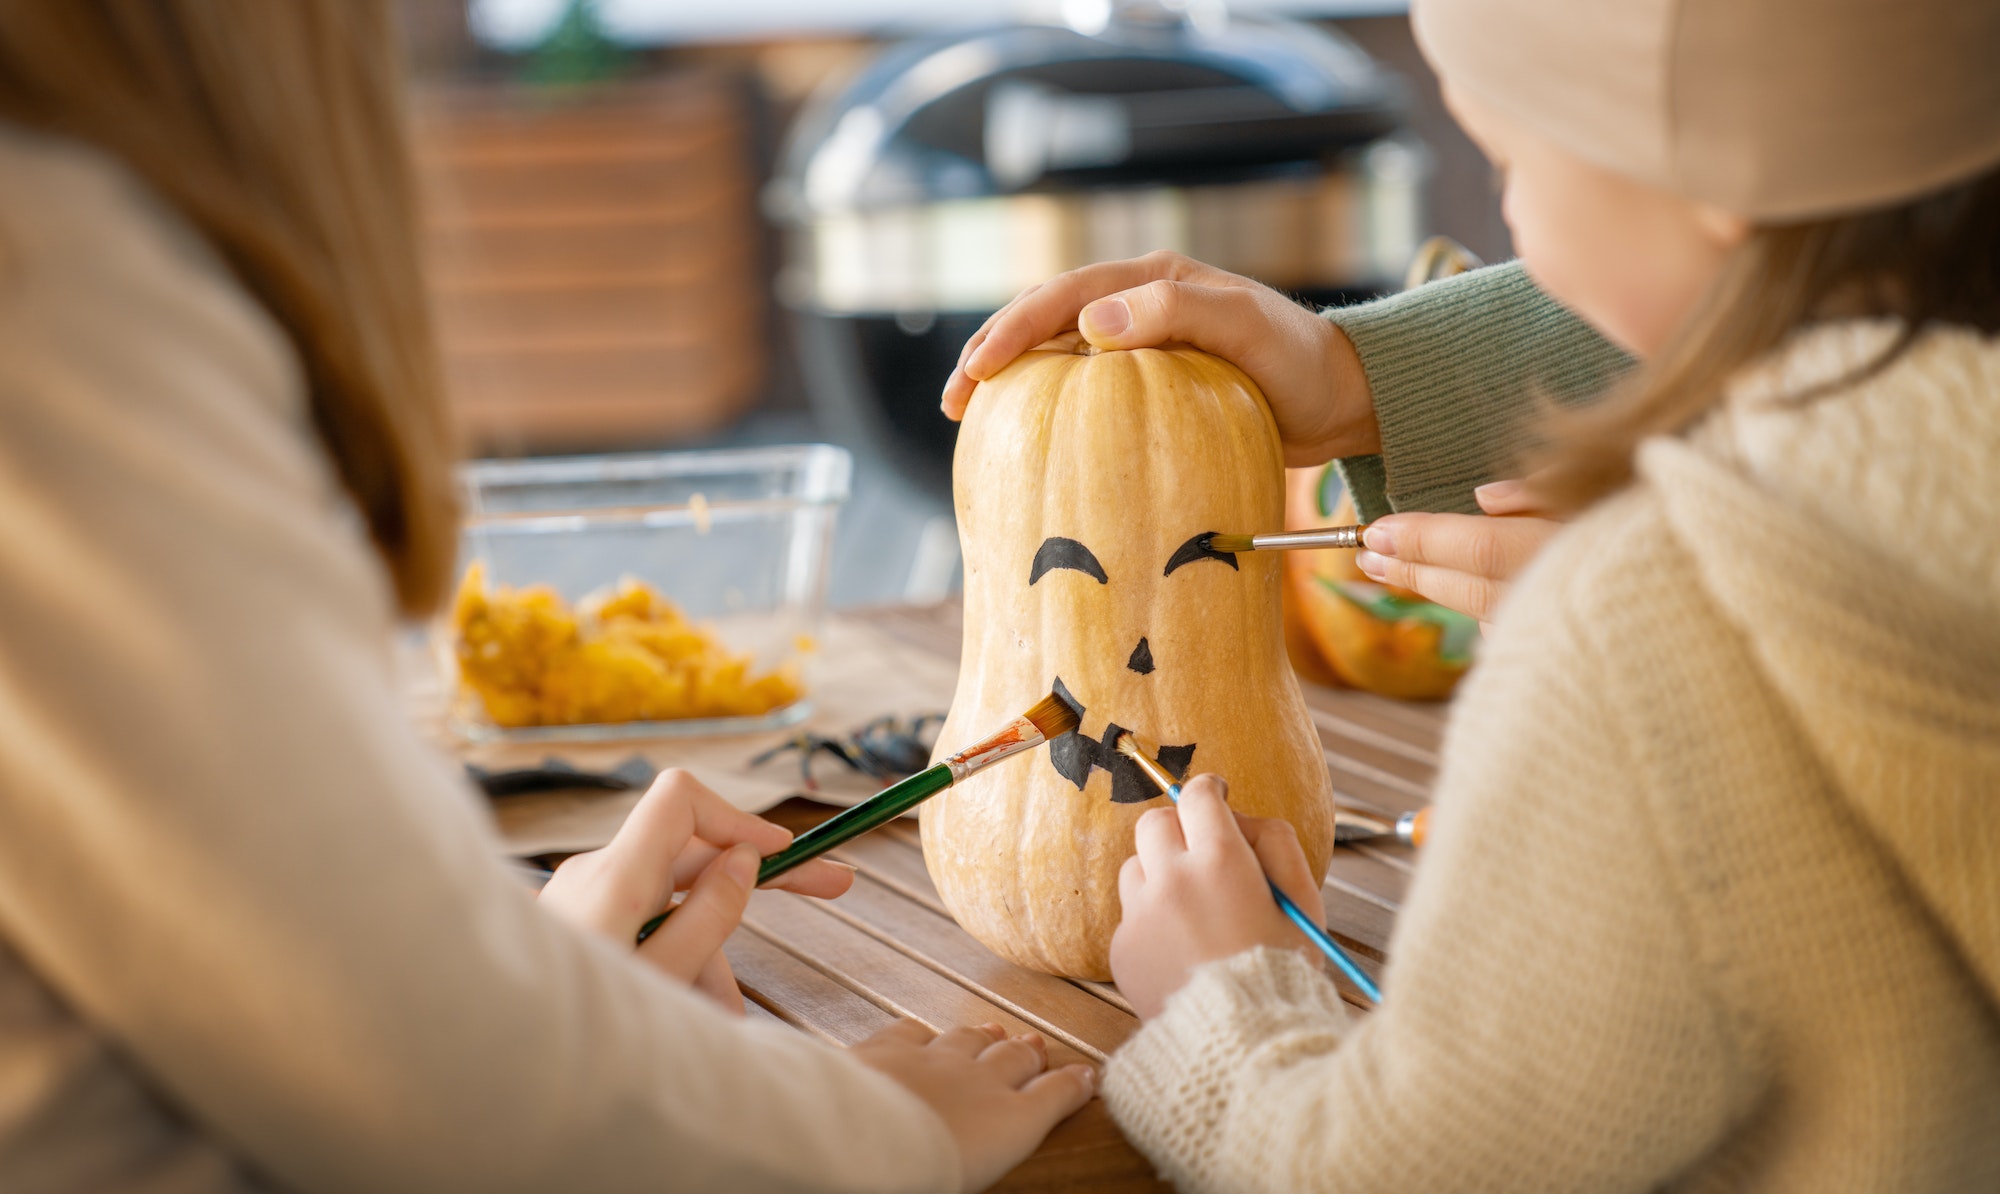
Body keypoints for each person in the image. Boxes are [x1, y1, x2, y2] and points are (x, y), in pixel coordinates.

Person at [0, 4, 1091, 1191]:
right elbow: (439, 1091)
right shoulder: (47, 278)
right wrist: (885, 1131)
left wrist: (505, 979)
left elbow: (282, 970)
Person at [945, 0, 2000, 1188]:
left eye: (1510, 163)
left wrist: (1222, 1004)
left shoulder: (1642, 624)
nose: (1507, 216)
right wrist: (1363, 377)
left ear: (1714, 172)